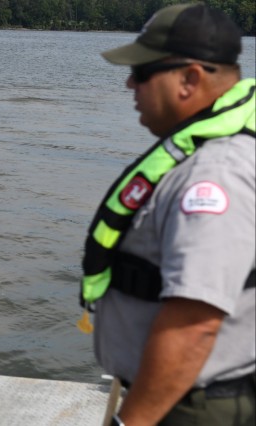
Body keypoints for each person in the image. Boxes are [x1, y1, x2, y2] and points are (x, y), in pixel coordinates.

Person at [79, 4, 255, 426]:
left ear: (189, 79)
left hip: (193, 408)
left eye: (141, 73)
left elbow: (195, 323)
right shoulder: (212, 151)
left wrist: (131, 422)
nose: (129, 84)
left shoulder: (215, 175)